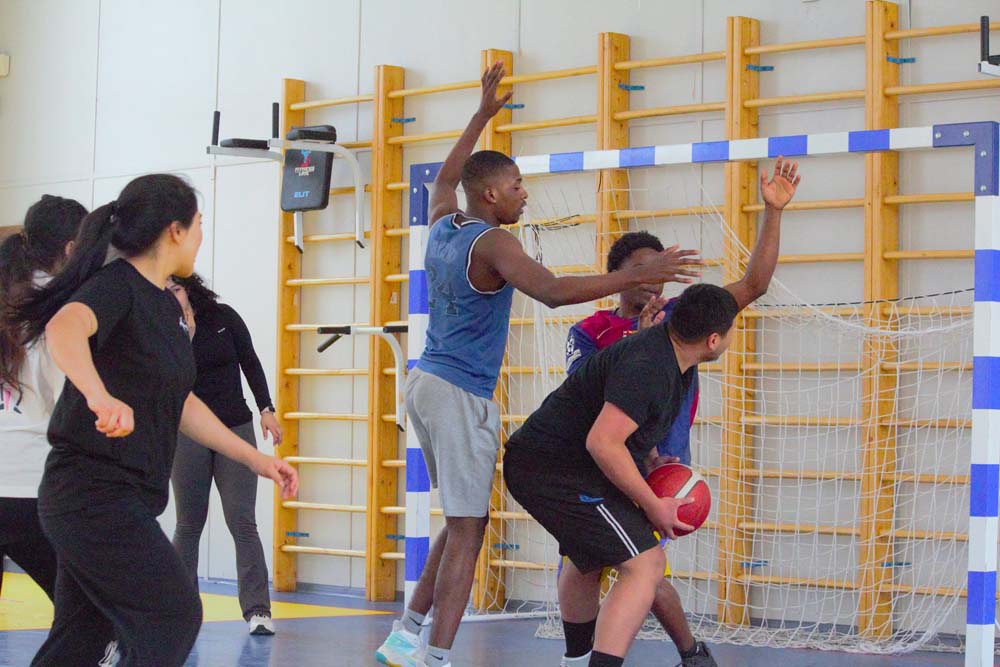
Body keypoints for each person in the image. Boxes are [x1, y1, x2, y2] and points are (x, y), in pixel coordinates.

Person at [375, 63, 702, 667]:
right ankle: (435, 655)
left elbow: (445, 176)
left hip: (423, 382)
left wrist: (481, 115)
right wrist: (637, 276)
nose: (524, 193)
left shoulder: (443, 219)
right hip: (459, 393)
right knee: (470, 529)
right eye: (517, 184)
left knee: (462, 517)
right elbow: (551, 291)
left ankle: (406, 631)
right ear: (491, 195)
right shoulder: (495, 242)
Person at [7, 174, 297, 667]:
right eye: (199, 224)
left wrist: (254, 459)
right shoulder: (116, 286)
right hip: (91, 495)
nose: (201, 235)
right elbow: (64, 327)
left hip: (120, 495)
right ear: (174, 231)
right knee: (173, 615)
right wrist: (98, 396)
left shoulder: (164, 304)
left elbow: (180, 401)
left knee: (81, 637)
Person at [556, 158, 800, 666]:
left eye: (663, 271)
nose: (655, 281)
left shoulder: (682, 318)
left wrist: (774, 212)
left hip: (661, 468)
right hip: (600, 463)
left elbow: (754, 284)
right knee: (603, 567)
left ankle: (680, 653)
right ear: (618, 277)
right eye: (646, 270)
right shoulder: (590, 331)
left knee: (636, 567)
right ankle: (673, 654)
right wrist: (637, 341)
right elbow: (588, 396)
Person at [166, 272, 283, 635]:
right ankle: (180, 609)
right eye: (165, 290)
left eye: (176, 288)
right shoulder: (163, 328)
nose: (172, 295)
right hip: (189, 433)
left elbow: (250, 362)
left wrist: (266, 408)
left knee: (242, 519)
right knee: (188, 523)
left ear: (190, 288)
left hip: (234, 426)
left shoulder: (224, 317)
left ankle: (258, 610)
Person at [0, 195, 86, 603]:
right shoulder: (62, 306)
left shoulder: (11, 293)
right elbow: (72, 394)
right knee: (84, 613)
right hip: (29, 484)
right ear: (71, 249)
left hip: (19, 478)